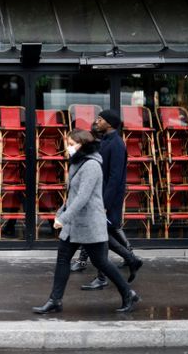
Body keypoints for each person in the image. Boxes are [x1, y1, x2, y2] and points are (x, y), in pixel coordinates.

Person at [32, 129, 139, 314]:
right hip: (75, 224)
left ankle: (128, 294)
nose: (68, 148)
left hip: (89, 223)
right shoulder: (77, 163)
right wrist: (61, 212)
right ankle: (55, 300)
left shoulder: (91, 165)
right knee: (63, 259)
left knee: (101, 262)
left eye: (71, 144)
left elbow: (83, 197)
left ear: (83, 145)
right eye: (68, 144)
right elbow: (72, 196)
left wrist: (63, 218)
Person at [78, 109, 143, 290]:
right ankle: (131, 260)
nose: (97, 121)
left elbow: (115, 178)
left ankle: (103, 276)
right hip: (101, 197)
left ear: (110, 123)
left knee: (100, 237)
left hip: (108, 200)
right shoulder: (105, 140)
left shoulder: (116, 144)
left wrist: (104, 205)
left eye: (101, 119)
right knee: (103, 236)